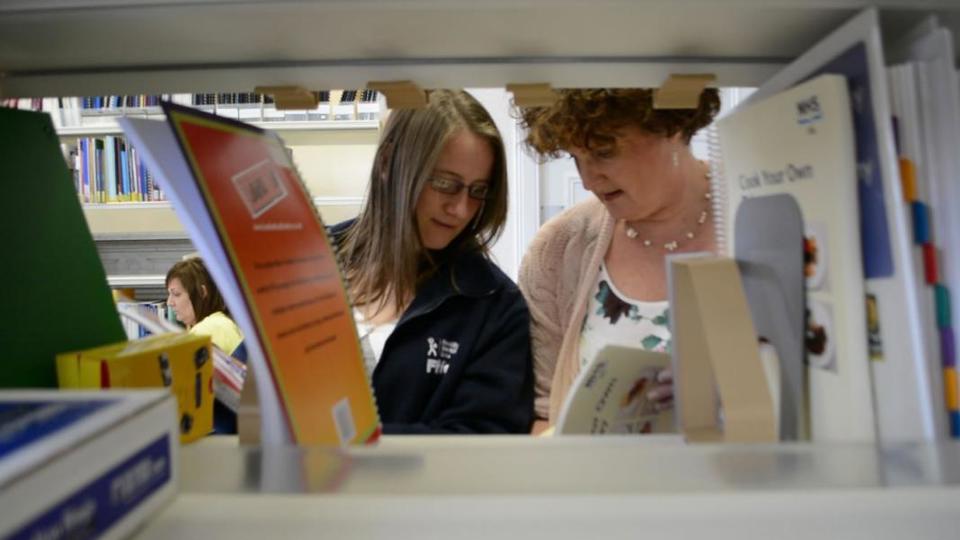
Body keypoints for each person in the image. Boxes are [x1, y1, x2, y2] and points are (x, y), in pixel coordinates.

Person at [517, 88, 721, 433]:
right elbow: (544, 414)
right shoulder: (558, 249)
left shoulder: (755, 206)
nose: (587, 179)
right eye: (574, 158)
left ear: (670, 123)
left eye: (603, 152)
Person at [330, 89, 534, 434]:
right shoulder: (309, 258)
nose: (461, 209)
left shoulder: (495, 306)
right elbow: (245, 391)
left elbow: (482, 441)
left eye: (478, 191)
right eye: (444, 184)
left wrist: (334, 440)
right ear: (387, 164)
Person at [165, 257, 244, 356]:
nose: (169, 302)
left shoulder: (206, 330)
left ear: (201, 292)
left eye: (176, 294)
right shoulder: (221, 322)